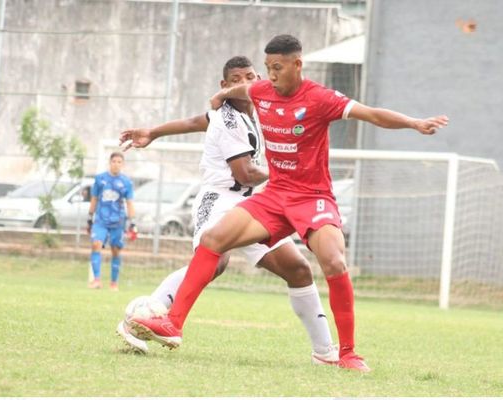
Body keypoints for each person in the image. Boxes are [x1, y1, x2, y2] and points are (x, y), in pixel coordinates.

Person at [130, 35, 448, 373]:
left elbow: (371, 114)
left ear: (298, 65)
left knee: (334, 261)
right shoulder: (261, 91)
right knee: (213, 241)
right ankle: (173, 323)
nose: (271, 75)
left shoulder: (320, 98)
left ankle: (349, 353)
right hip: (274, 196)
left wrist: (414, 123)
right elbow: (239, 93)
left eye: (277, 68)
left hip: (312, 198)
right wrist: (222, 94)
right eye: (267, 68)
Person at [117, 56, 338, 365]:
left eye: (251, 76)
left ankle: (326, 354)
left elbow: (196, 121)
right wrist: (284, 174)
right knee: (215, 263)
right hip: (220, 201)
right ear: (225, 87)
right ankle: (142, 316)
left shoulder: (258, 109)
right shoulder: (228, 118)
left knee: (297, 269)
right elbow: (244, 173)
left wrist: (154, 132)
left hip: (252, 203)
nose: (245, 83)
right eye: (237, 79)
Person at [87, 152, 136, 291]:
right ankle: (96, 280)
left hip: (118, 222)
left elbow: (129, 202)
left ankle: (114, 283)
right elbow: (94, 198)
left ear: (123, 164)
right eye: (114, 161)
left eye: (119, 162)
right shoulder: (100, 179)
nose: (116, 164)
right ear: (110, 162)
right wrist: (90, 217)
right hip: (100, 220)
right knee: (96, 245)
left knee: (115, 251)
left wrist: (133, 222)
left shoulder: (126, 182)